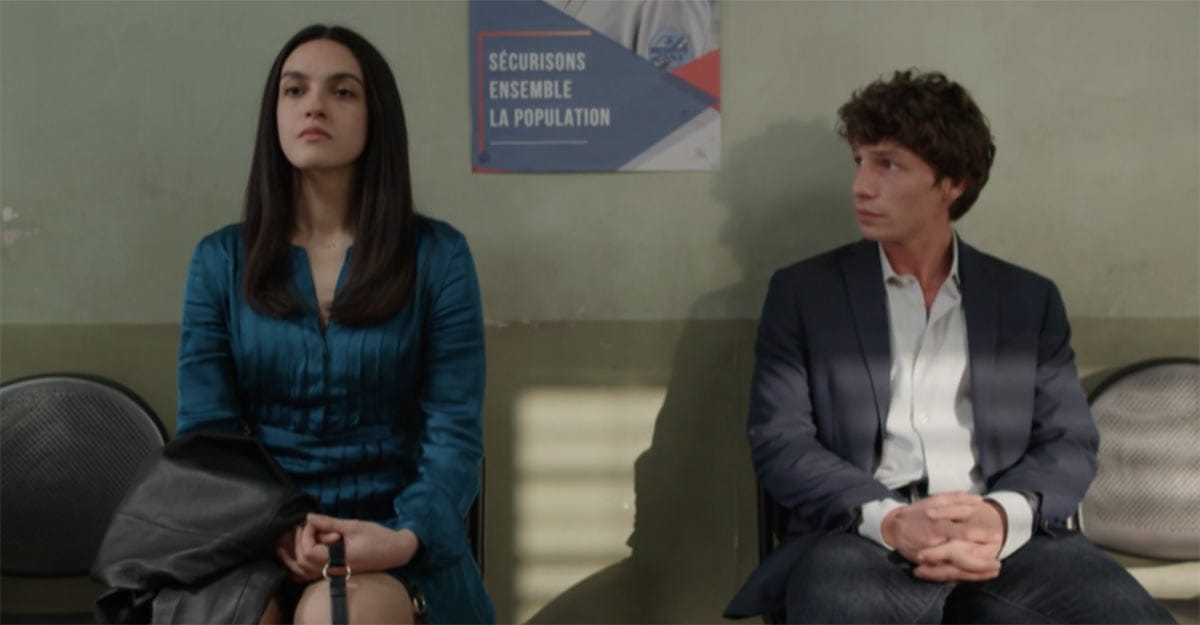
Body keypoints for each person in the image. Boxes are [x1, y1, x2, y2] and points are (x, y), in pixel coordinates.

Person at [724, 70, 1176, 624]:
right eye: (860, 162)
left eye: (888, 165)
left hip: (1006, 540)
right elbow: (780, 440)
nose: (861, 186)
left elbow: (1068, 440)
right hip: (859, 537)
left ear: (952, 183)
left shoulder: (1028, 300)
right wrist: (891, 521)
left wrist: (999, 518)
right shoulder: (803, 294)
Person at [176, 24, 493, 624]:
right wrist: (276, 530)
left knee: (337, 614)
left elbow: (453, 433)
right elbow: (206, 438)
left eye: (342, 91)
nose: (314, 105)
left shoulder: (439, 257)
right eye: (294, 90)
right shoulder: (219, 261)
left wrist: (404, 537)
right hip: (256, 539)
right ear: (275, 115)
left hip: (395, 538)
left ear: (377, 117)